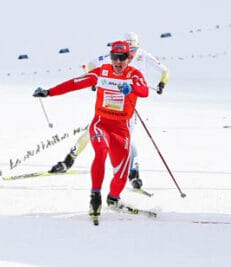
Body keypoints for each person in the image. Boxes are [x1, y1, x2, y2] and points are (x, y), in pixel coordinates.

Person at [33, 41, 149, 223]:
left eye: (122, 58)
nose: (118, 62)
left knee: (121, 174)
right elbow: (74, 83)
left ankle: (113, 198)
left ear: (129, 58)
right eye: (114, 58)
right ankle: (95, 197)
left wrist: (132, 88)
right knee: (101, 152)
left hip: (121, 129)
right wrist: (49, 92)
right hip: (101, 124)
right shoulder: (102, 72)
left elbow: (144, 91)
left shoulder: (134, 75)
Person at [49, 32, 170, 191]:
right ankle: (68, 160)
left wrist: (162, 83)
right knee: (91, 133)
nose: (131, 55)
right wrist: (93, 82)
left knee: (128, 140)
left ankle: (134, 173)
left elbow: (165, 71)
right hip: (108, 103)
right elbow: (90, 65)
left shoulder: (144, 56)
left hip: (129, 105)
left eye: (134, 49)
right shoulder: (113, 56)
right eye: (129, 50)